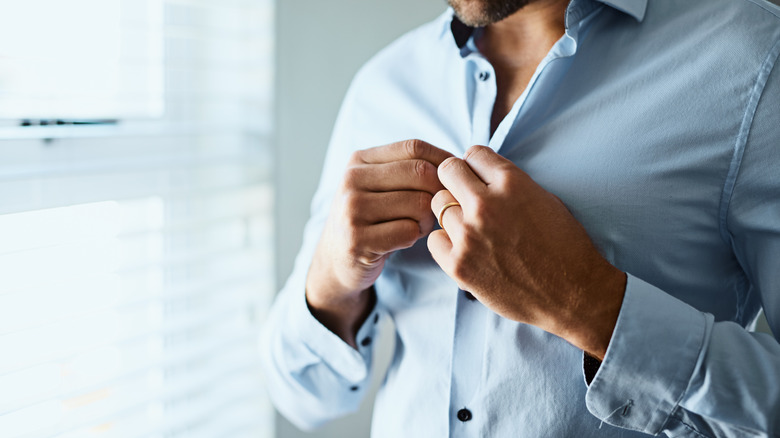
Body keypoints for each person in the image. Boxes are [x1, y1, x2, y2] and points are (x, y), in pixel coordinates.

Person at [262, 0, 780, 436]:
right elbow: (305, 396)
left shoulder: (755, 62)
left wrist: (589, 304)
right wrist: (330, 284)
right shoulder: (383, 85)